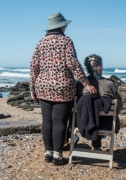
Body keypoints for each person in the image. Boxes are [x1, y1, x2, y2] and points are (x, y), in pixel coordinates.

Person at [30, 12, 97, 166]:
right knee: (60, 122)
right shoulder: (66, 41)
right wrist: (87, 83)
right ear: (61, 26)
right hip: (63, 88)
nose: (66, 27)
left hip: (43, 86)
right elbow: (73, 63)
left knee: (47, 121)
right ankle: (57, 157)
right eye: (65, 25)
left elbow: (34, 67)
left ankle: (48, 154)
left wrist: (32, 88)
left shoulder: (40, 43)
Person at [77, 54, 123, 149]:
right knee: (101, 112)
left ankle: (71, 138)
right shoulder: (109, 84)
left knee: (89, 110)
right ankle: (97, 143)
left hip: (83, 123)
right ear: (100, 67)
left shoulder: (81, 85)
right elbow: (119, 106)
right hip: (105, 124)